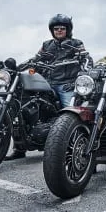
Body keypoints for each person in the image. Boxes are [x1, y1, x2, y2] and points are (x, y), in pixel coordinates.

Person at [12, 13, 91, 159]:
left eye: (62, 28)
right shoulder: (46, 45)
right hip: (47, 83)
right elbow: (35, 60)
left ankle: (71, 146)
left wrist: (78, 78)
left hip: (66, 84)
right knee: (23, 108)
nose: (59, 31)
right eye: (56, 29)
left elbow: (87, 60)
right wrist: (18, 68)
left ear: (68, 29)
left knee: (71, 112)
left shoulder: (76, 44)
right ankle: (19, 148)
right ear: (52, 30)